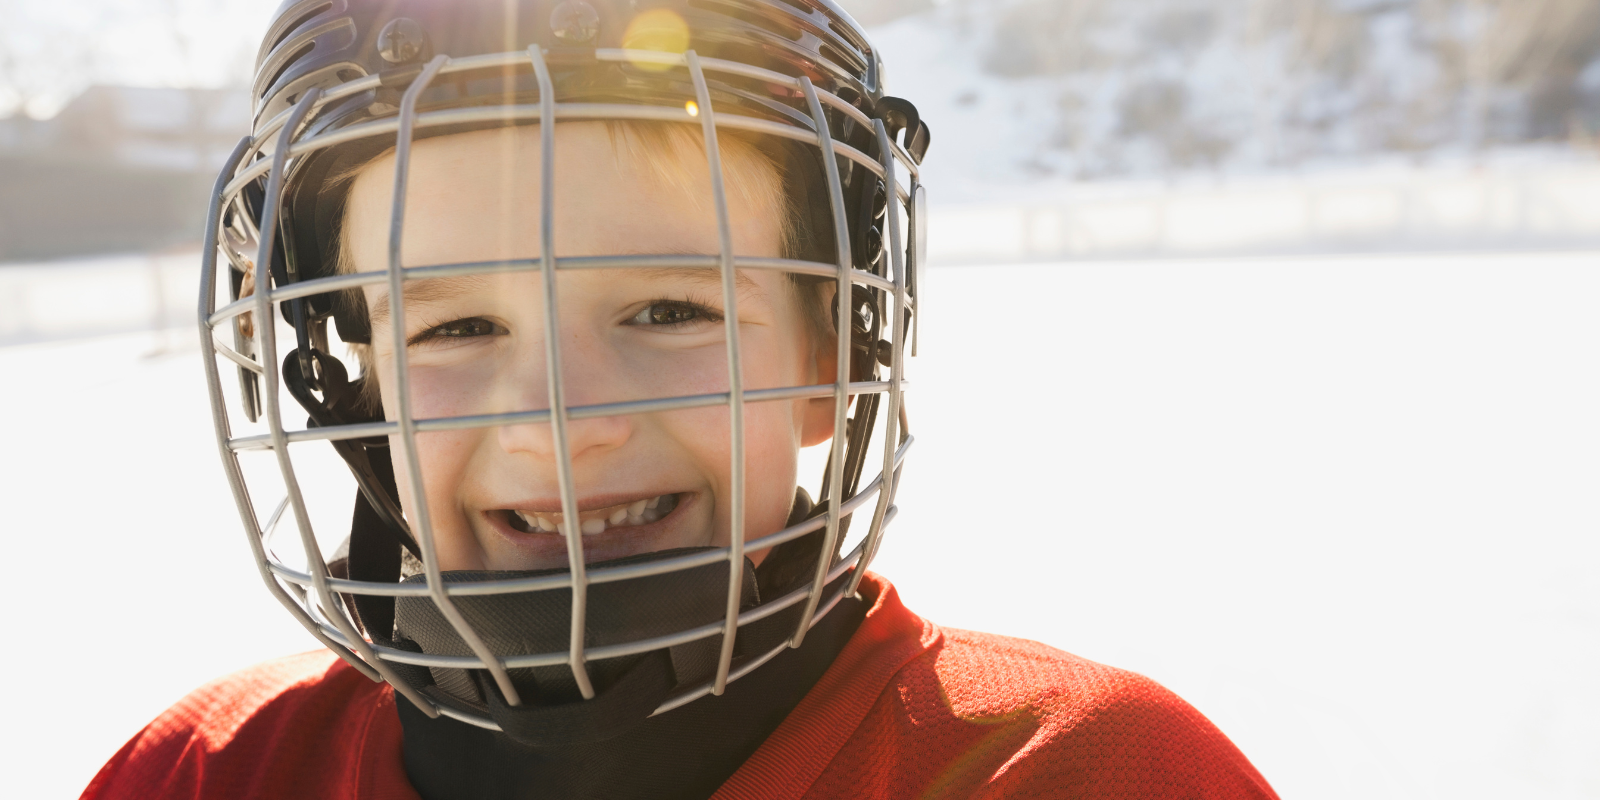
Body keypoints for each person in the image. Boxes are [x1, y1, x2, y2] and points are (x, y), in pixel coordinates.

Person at [82, 1, 1279, 798]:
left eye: (667, 313)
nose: (556, 419)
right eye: (454, 326)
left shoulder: (1079, 767)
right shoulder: (203, 773)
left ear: (831, 351)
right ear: (352, 382)